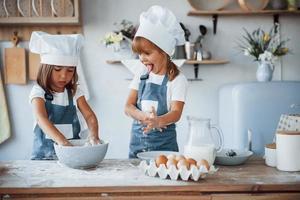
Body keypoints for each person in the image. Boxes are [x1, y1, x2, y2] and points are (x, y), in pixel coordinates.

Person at [125, 5, 188, 158]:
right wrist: (143, 117)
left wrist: (158, 121)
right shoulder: (140, 74)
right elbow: (128, 107)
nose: (142, 58)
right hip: (137, 150)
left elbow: (176, 113)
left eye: (147, 53)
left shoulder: (177, 79)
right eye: (139, 53)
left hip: (165, 152)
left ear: (164, 51)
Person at [29, 31, 100, 160]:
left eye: (70, 70)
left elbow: (89, 116)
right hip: (44, 159)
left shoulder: (75, 92)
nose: (64, 76)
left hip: (72, 157)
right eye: (57, 69)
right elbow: (41, 119)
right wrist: (64, 143)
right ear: (46, 68)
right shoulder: (38, 92)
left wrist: (93, 136)